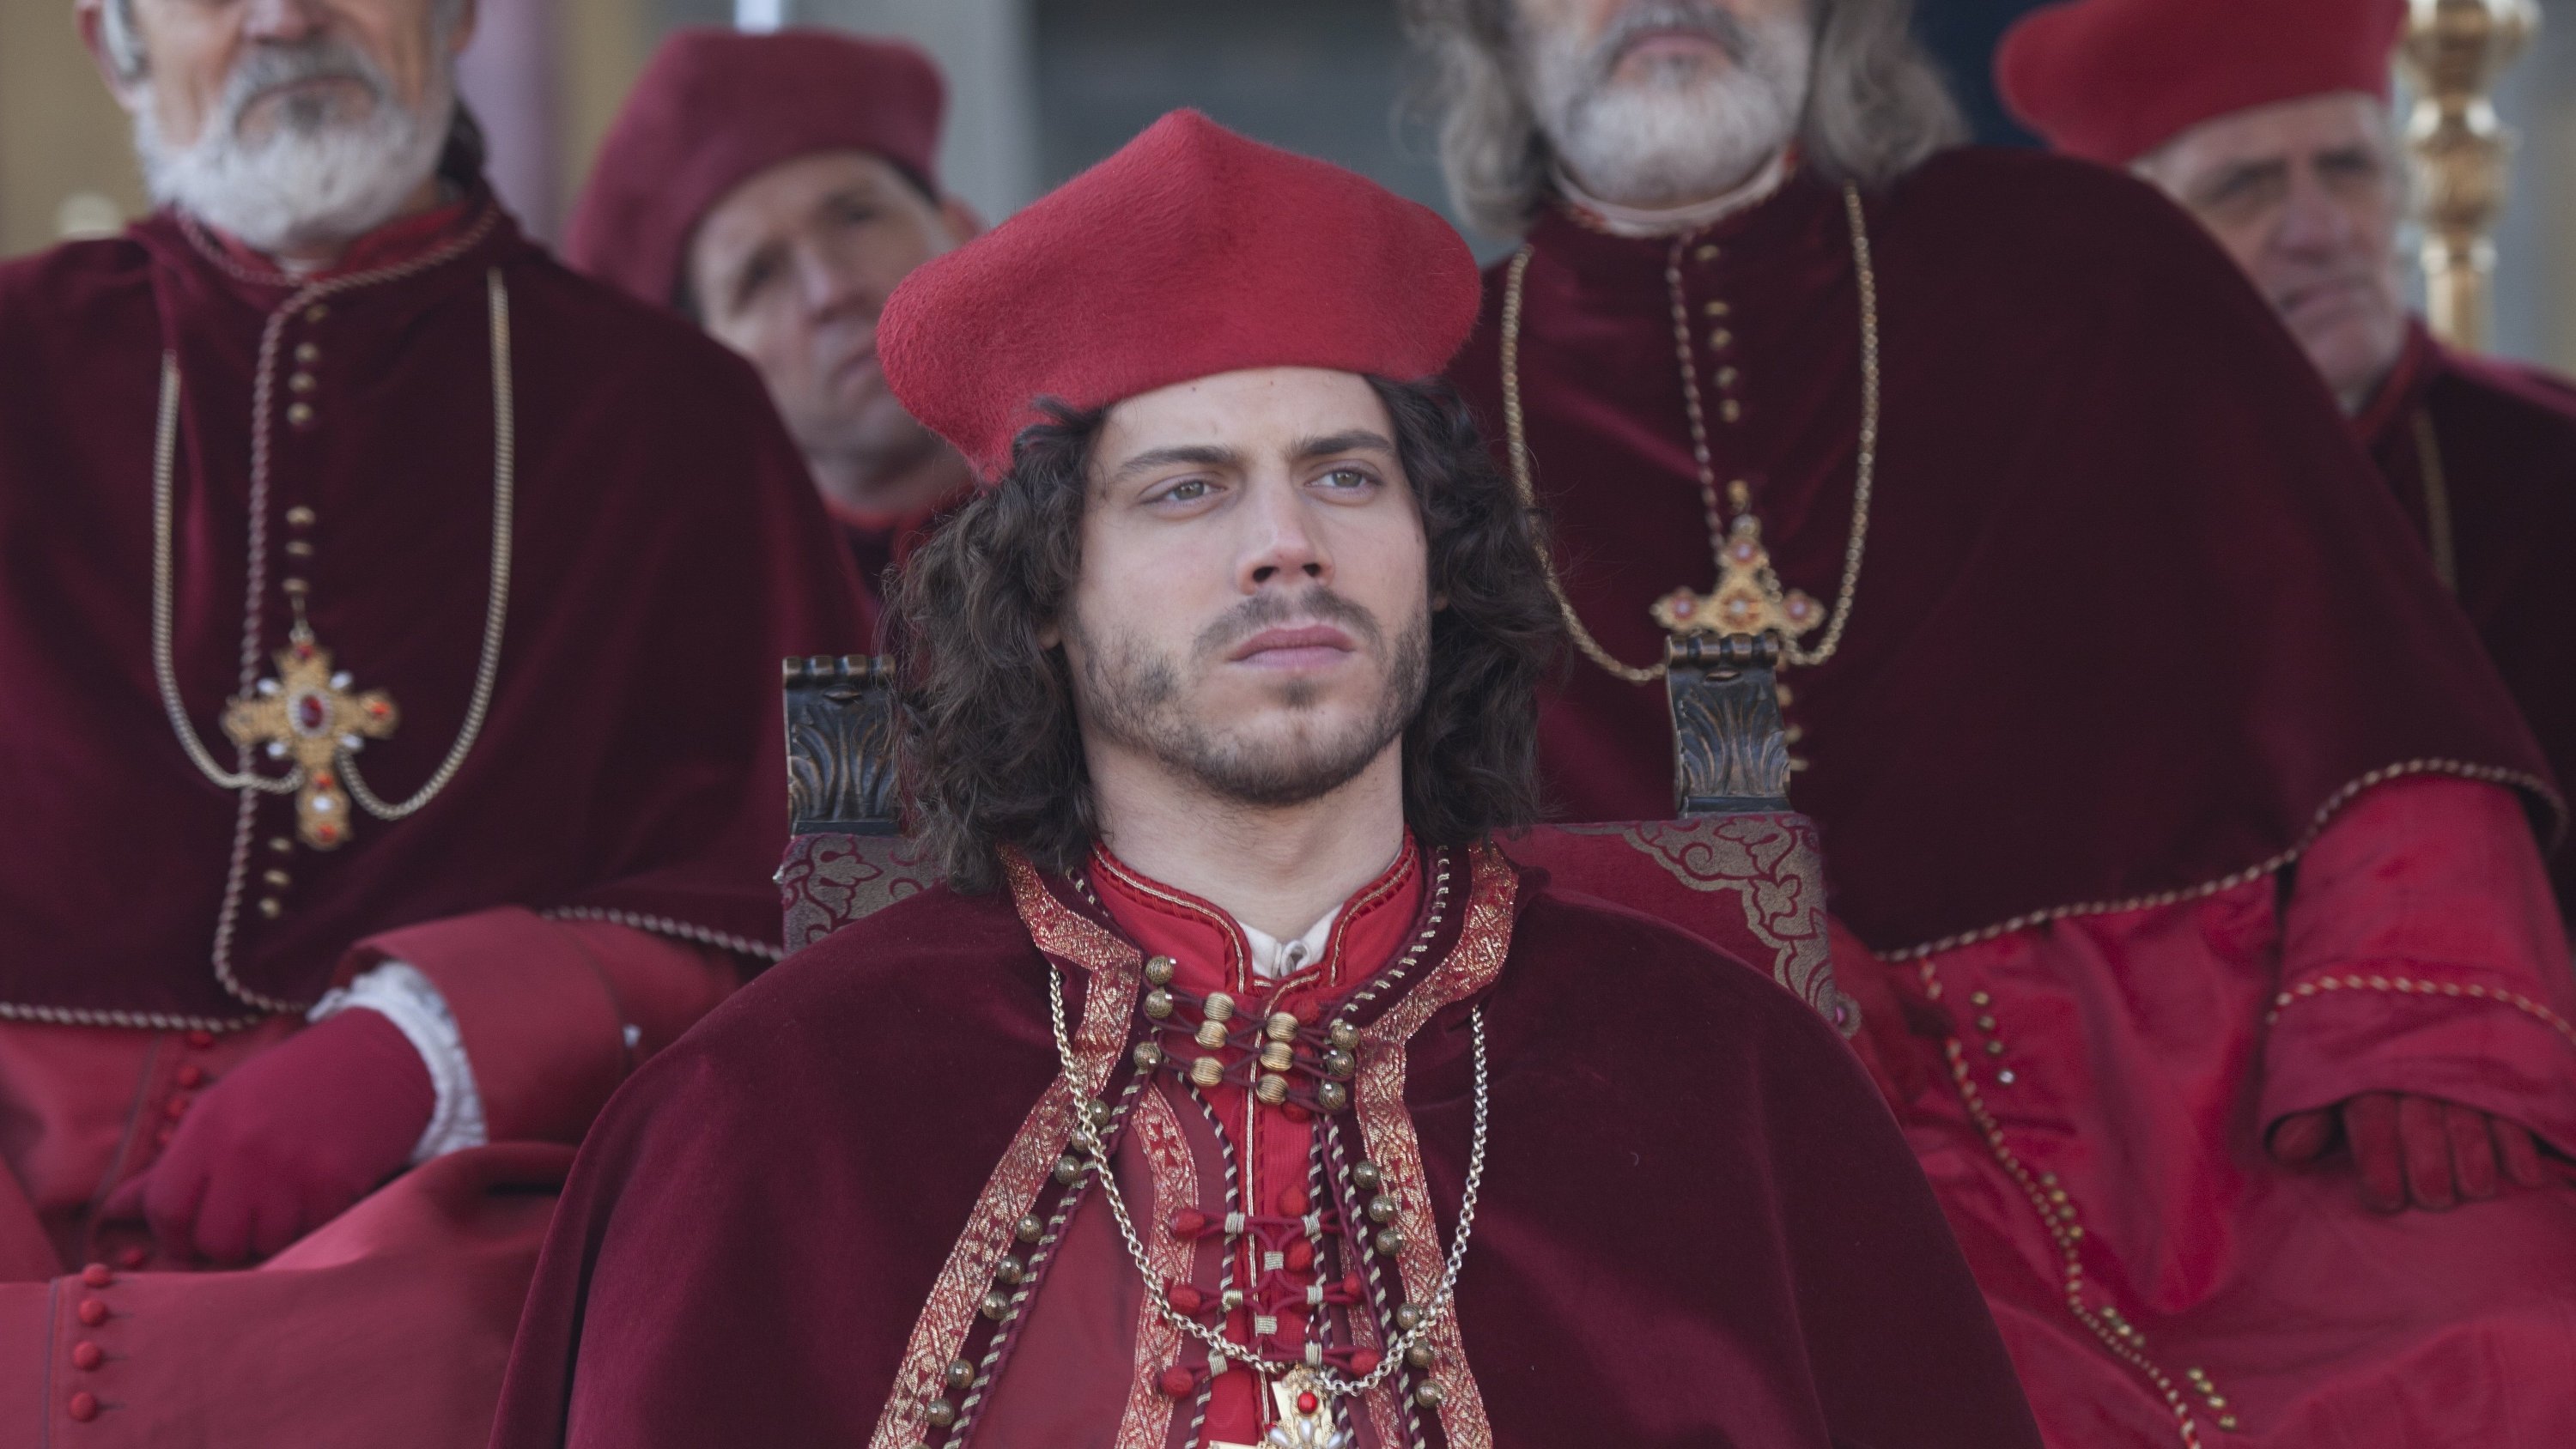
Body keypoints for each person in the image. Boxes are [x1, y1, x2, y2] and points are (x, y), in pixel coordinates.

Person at [488, 111, 2040, 1449]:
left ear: (1435, 557)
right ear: (1041, 593)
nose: (1286, 543)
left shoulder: (1733, 1086)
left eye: (1345, 475)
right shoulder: (774, 1113)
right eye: (1187, 490)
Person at [1405, 0, 2576, 1443]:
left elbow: (2371, 692)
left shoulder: (2099, 259)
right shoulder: (1425, 421)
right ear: (1494, 28)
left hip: (2223, 1112)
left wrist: (2422, 1010)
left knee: (2519, 1341)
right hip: (1780, 1165)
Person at [0, 0, 866, 1440]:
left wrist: (446, 1035)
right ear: (118, 47)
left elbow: (861, 876)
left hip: (470, 1236)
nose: (285, 17)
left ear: (457, 12)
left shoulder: (693, 412)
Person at [1999, 0, 2576, 919]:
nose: (2320, 227)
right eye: (2244, 186)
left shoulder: (2550, 460)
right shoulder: (2040, 526)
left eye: (2348, 167)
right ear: (2129, 248)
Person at [570, 27, 980, 600]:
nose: (831, 291)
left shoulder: (1108, 486)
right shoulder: (716, 616)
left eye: (857, 217)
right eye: (759, 276)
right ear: (707, 365)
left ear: (962, 229)